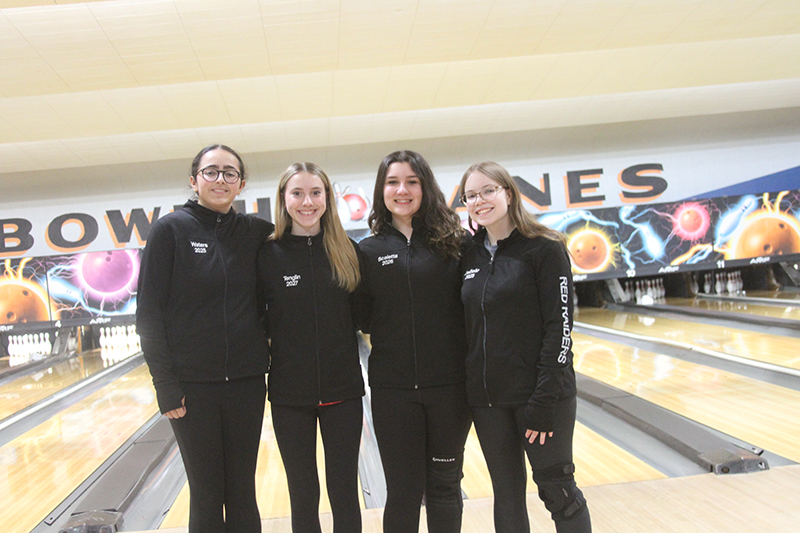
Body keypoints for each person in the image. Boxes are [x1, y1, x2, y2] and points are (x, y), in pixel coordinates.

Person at [136, 144, 272, 532]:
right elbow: (148, 313)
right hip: (192, 388)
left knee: (243, 491)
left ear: (241, 184)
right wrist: (164, 383)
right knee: (208, 492)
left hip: (246, 382)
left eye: (230, 173)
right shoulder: (170, 230)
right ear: (194, 180)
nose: (220, 179)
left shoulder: (256, 232)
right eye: (211, 171)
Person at [458, 161, 592, 533]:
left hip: (541, 395)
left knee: (558, 491)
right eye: (471, 195)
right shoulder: (467, 255)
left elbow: (560, 327)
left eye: (488, 190)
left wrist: (544, 400)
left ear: (508, 193)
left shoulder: (544, 249)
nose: (480, 200)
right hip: (488, 399)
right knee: (507, 494)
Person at [355, 150, 472, 533]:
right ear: (381, 190)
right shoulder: (367, 251)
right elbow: (359, 316)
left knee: (444, 486)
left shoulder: (455, 243)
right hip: (393, 390)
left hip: (450, 388)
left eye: (411, 181)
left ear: (425, 187)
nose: (401, 190)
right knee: (403, 491)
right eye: (392, 182)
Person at [258, 162, 364, 533]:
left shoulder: (347, 251)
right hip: (290, 397)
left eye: (316, 193)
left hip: (344, 393)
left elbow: (367, 316)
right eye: (298, 193)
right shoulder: (267, 255)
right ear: (283, 199)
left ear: (327, 198)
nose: (307, 202)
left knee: (344, 491)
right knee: (303, 493)